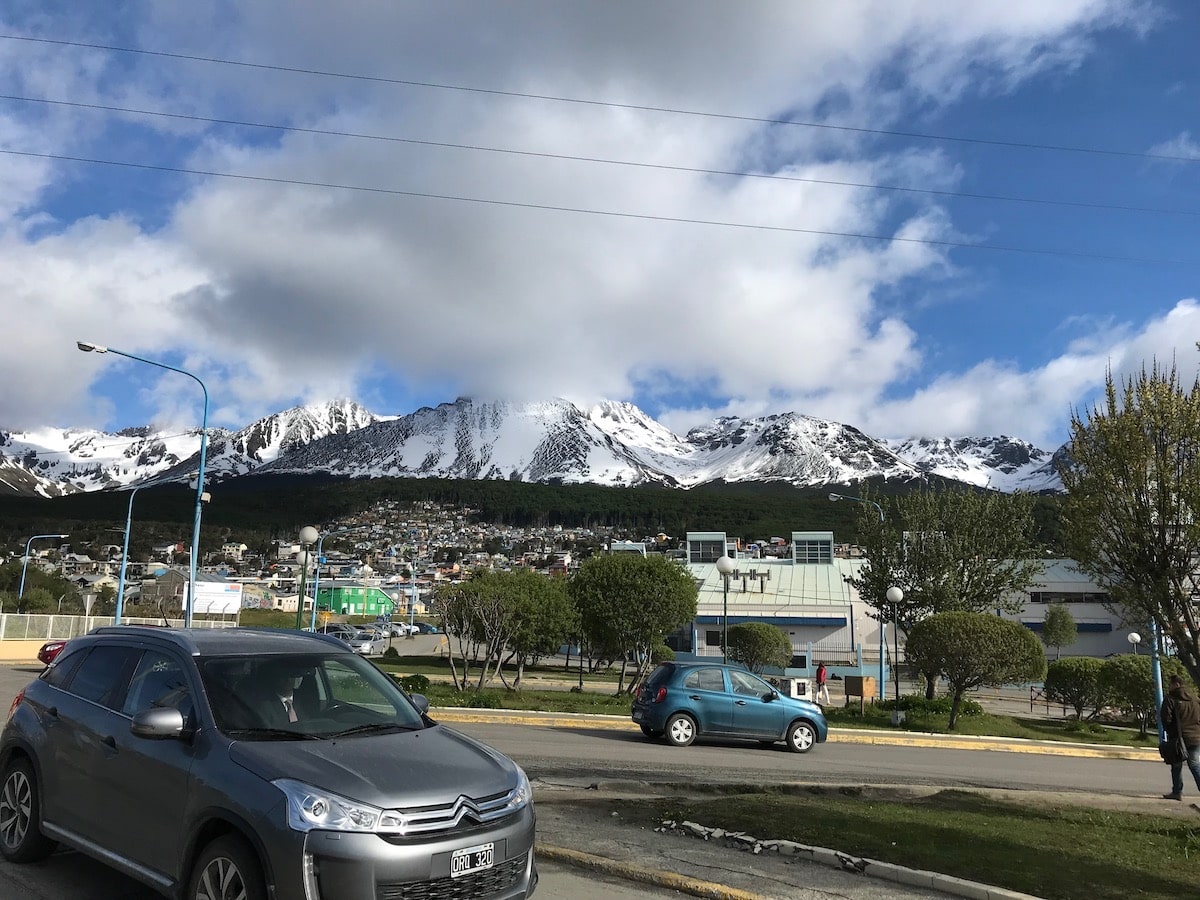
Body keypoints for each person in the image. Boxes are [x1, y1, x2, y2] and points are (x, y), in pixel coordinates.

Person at [1160, 674, 1200, 800]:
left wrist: (1170, 731)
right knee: (1194, 765)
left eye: (1170, 684)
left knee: (1176, 766)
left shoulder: (1171, 698)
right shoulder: (1195, 699)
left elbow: (1165, 717)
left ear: (1176, 684)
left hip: (1178, 738)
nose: (1169, 687)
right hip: (1196, 737)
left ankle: (1177, 792)